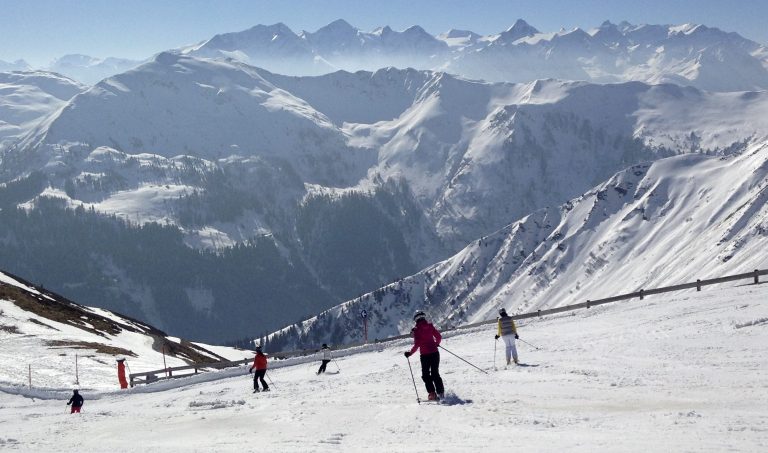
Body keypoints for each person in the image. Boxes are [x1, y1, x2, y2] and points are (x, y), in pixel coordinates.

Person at [404, 310, 444, 401]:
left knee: (426, 375)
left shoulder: (417, 330)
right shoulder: (430, 326)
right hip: (435, 353)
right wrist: (436, 344)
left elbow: (417, 344)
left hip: (425, 356)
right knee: (435, 373)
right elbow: (439, 337)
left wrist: (409, 353)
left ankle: (432, 394)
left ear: (416, 320)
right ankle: (441, 393)